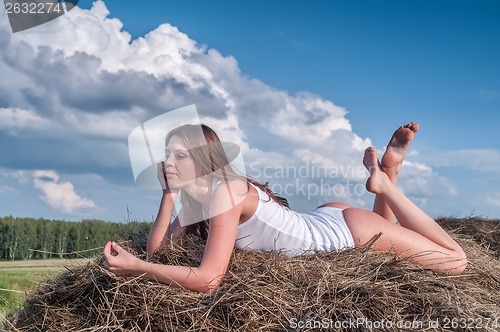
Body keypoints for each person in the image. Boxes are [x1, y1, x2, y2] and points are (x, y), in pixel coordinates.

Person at [103, 122, 467, 293]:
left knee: (456, 261)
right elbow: (160, 252)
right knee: (387, 243)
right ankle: (388, 169)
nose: (167, 161)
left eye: (179, 155)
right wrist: (168, 194)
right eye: (166, 154)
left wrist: (135, 268)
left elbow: (209, 280)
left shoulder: (224, 192)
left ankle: (386, 182)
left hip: (344, 232)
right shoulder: (199, 198)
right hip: (327, 218)